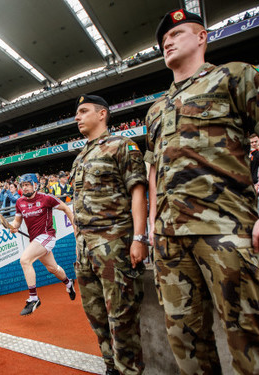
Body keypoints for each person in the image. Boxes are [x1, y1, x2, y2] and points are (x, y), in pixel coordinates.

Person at [145, 9, 259, 374]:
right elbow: (155, 169)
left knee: (249, 347)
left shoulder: (234, 75)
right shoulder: (155, 110)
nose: (167, 41)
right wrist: (154, 223)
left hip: (227, 233)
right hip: (171, 242)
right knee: (186, 346)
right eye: (163, 41)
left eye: (177, 33)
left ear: (202, 37)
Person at [70, 94, 148, 375]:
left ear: (102, 114)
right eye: (77, 113)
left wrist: (139, 238)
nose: (77, 117)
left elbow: (138, 191)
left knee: (122, 317)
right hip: (85, 248)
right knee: (96, 314)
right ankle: (110, 367)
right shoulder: (80, 156)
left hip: (114, 244)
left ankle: (129, 370)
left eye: (83, 111)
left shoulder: (121, 145)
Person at [8, 173, 76, 316]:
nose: (25, 188)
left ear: (35, 185)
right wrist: (12, 227)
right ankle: (69, 283)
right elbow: (17, 223)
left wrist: (74, 226)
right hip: (35, 240)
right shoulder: (19, 202)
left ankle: (33, 298)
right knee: (53, 268)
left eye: (27, 184)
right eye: (23, 185)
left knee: (25, 260)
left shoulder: (46, 198)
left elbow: (65, 208)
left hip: (47, 236)